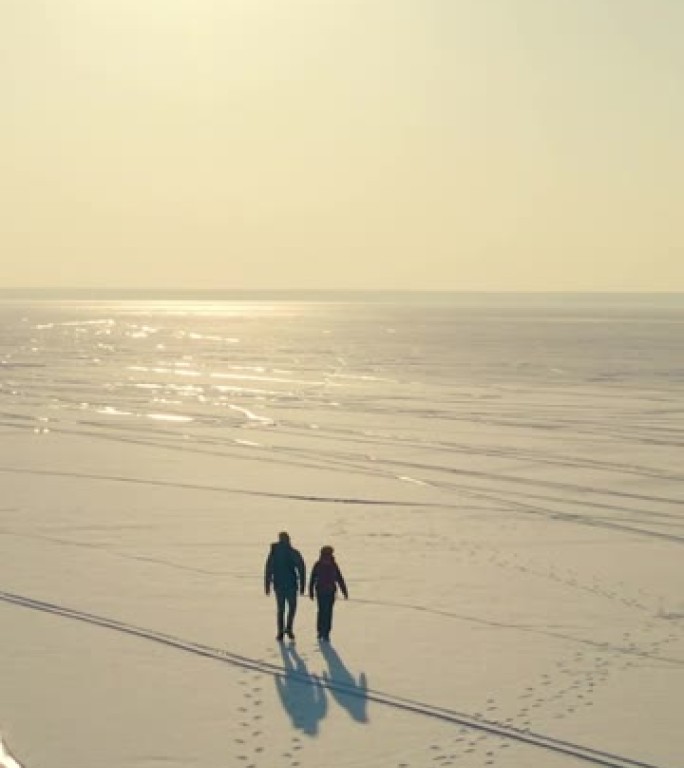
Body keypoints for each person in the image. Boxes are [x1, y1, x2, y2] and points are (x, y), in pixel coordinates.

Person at [264, 531, 306, 641]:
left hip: (281, 585)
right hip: (289, 585)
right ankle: (287, 629)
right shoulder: (291, 552)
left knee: (281, 609)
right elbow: (301, 568)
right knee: (290, 608)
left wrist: (267, 585)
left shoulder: (275, 553)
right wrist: (302, 585)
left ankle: (282, 631)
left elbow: (269, 569)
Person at [308, 545, 348, 642]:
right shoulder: (333, 564)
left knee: (321, 611)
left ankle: (320, 631)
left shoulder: (318, 564)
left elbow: (312, 578)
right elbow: (339, 578)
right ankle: (326, 632)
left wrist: (311, 591)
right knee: (328, 612)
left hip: (321, 591)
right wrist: (344, 591)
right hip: (330, 591)